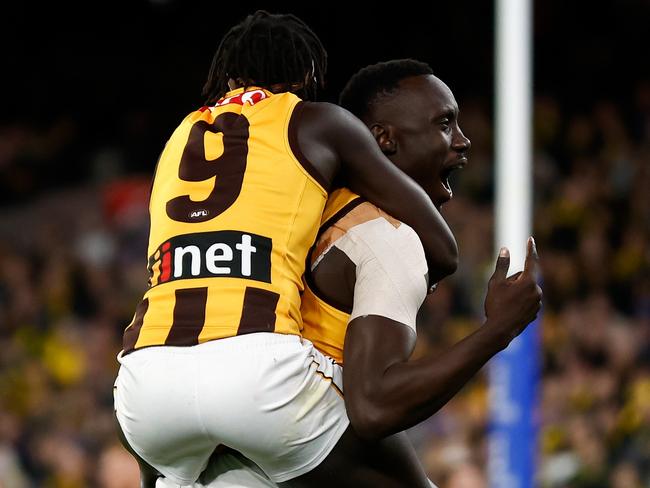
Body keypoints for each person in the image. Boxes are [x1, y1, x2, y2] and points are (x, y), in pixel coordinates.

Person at [156, 59, 542, 488]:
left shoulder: (291, 208)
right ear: (384, 138)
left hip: (184, 422)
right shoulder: (383, 232)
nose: (464, 141)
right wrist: (498, 331)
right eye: (445, 123)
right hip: (278, 435)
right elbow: (374, 407)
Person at [113, 12, 459, 488]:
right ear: (303, 77)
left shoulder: (176, 139)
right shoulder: (316, 120)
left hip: (144, 384)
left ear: (228, 76)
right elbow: (441, 245)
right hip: (255, 370)